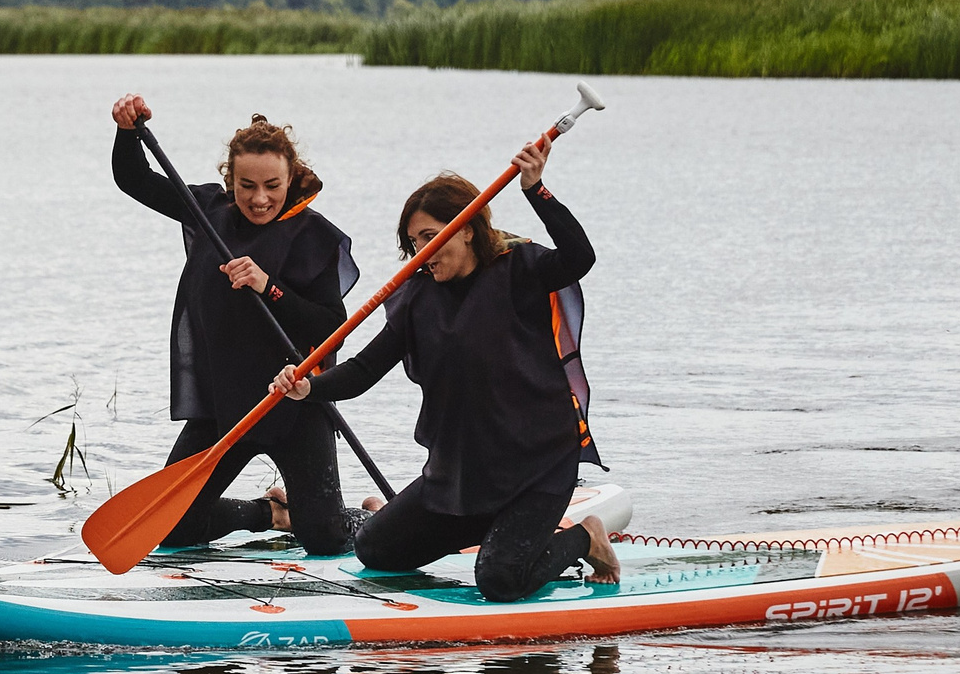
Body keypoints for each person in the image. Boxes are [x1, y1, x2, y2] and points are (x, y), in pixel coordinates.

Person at [271, 136, 616, 601]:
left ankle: (585, 537)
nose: (423, 251)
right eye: (414, 242)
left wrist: (536, 190)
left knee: (499, 580)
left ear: (467, 229)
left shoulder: (520, 268)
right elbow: (364, 370)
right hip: (461, 472)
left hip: (535, 466)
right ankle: (496, 532)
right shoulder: (417, 298)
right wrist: (308, 387)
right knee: (375, 549)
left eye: (431, 236)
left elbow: (580, 257)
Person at [111, 94, 364, 554]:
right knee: (171, 527)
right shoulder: (209, 210)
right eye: (247, 185)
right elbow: (133, 178)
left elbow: (330, 327)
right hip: (223, 407)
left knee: (326, 539)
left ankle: (376, 518)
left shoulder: (314, 236)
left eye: (272, 185)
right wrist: (127, 132)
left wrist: (269, 286)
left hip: (294, 403)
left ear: (292, 178)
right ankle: (270, 513)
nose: (259, 199)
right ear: (230, 179)